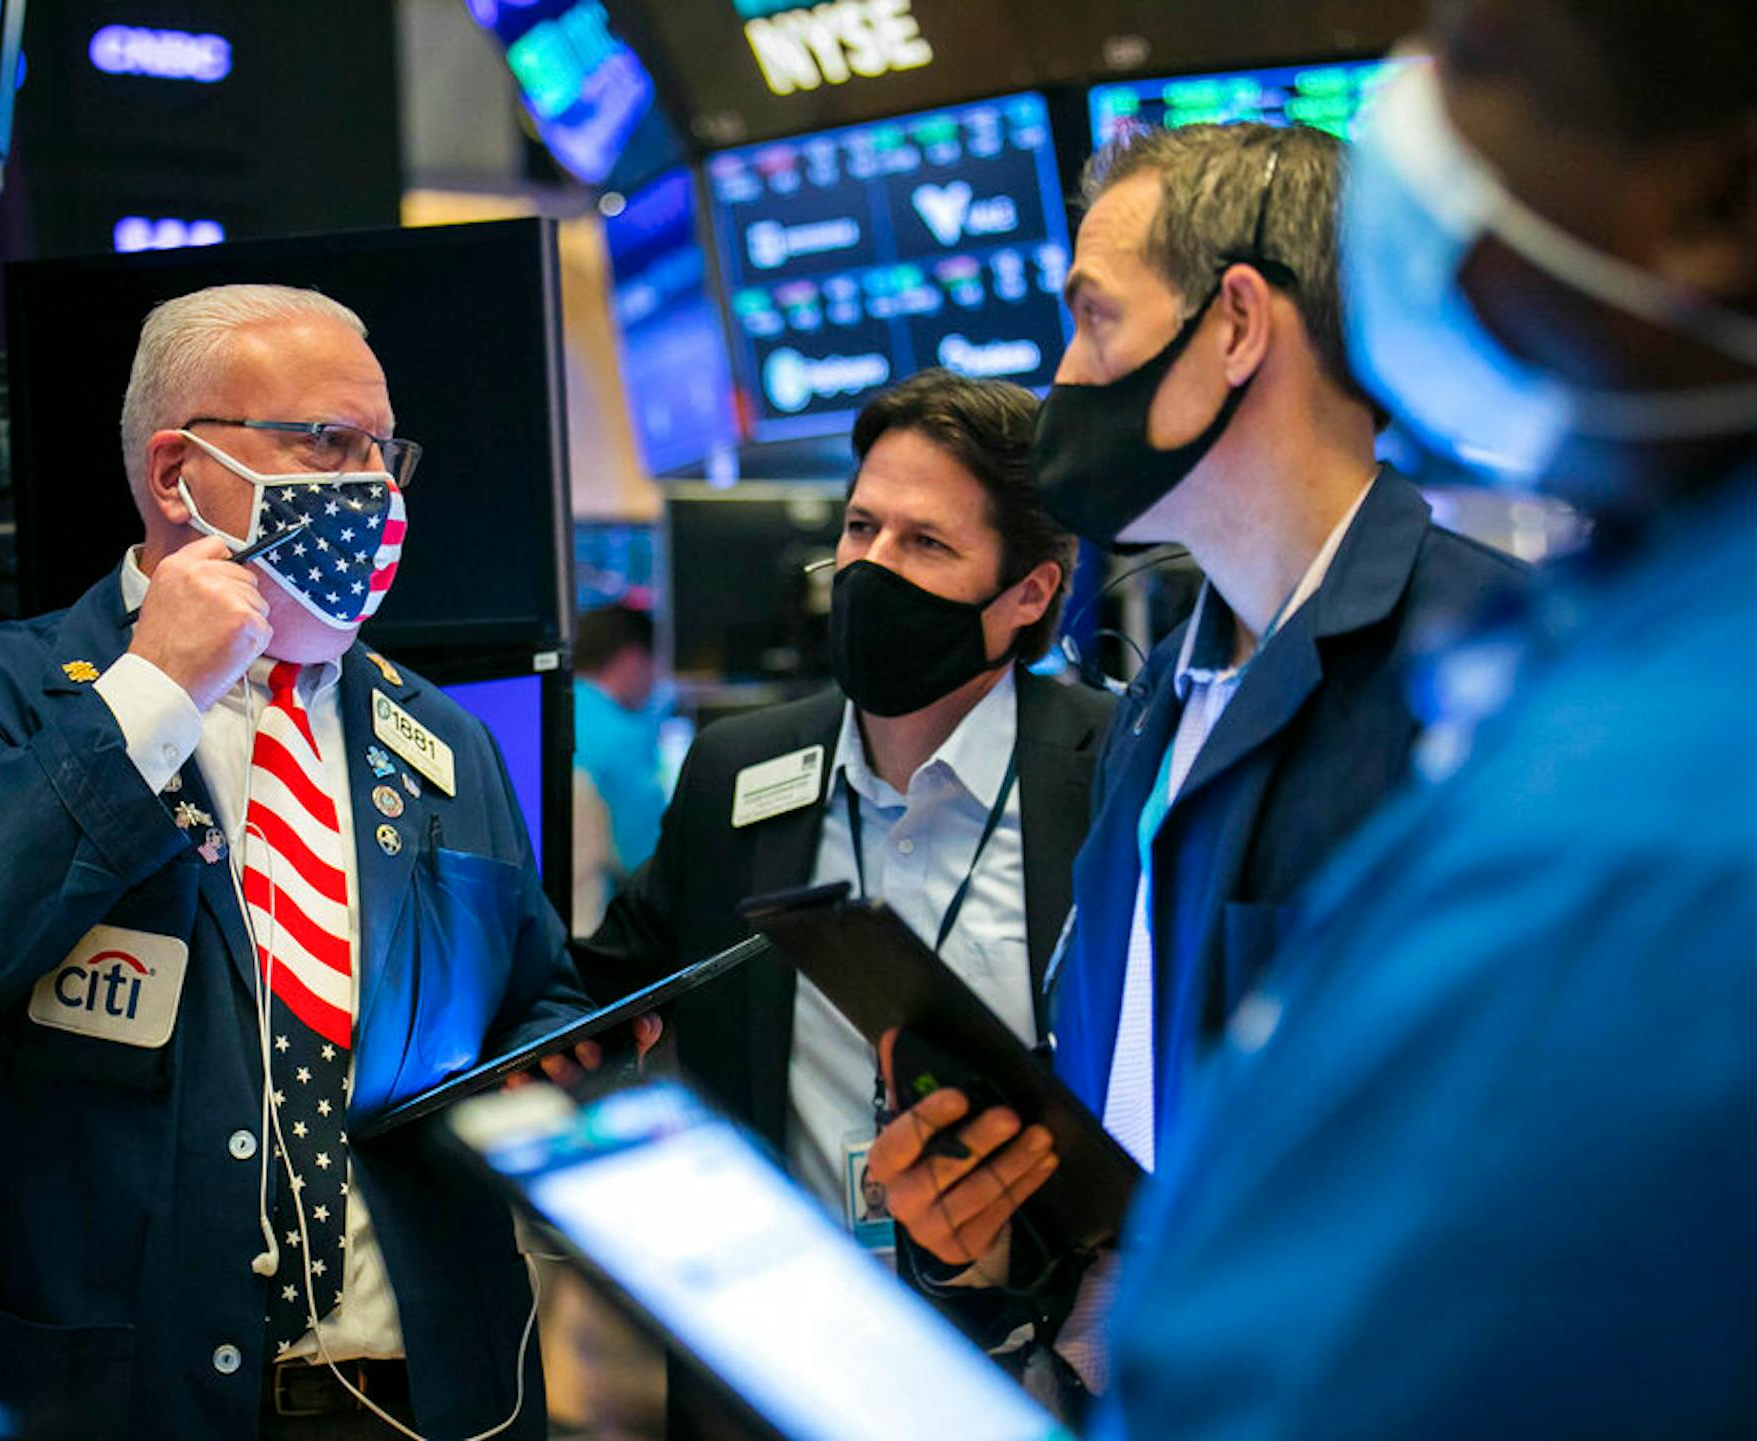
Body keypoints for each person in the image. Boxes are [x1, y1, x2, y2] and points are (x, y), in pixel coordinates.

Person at [1085, 4, 1757, 1434]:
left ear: (1716, 202)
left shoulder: (1617, 820)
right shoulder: (1159, 701)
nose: (1413, 108)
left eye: (1486, 48)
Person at [0, 284, 594, 1440]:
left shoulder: (447, 739)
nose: (375, 489)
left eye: (386, 451)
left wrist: (551, 1055)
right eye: (328, 441)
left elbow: (534, 991)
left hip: (425, 1397)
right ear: (178, 474)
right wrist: (151, 695)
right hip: (113, 1401)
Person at [866, 122, 1526, 1413]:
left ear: (1235, 324)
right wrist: (1007, 1236)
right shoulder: (1159, 704)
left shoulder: (1486, 681)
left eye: (1095, 321)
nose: (1064, 374)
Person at [578, 367, 1112, 1272]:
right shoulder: (733, 770)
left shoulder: (1112, 773)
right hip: (773, 1346)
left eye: (927, 543)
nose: (870, 568)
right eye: (862, 526)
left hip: (1032, 1364)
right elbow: (599, 998)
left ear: (1028, 594)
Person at [570, 604, 670, 927]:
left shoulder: (542, 712)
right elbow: (648, 859)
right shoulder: (624, 735)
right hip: (592, 928)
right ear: (631, 659)